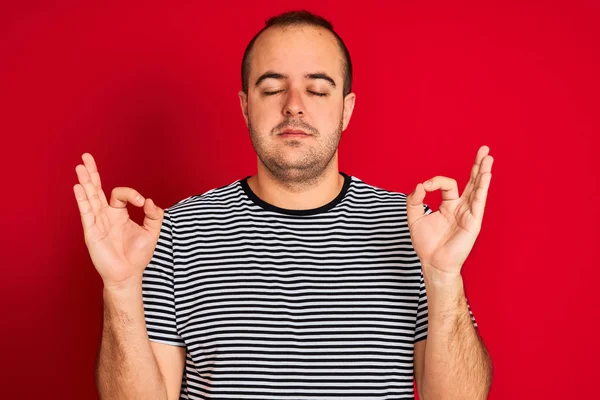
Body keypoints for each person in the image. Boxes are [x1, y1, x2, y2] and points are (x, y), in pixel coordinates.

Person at [73, 10, 494, 400]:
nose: (294, 104)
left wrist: (443, 277)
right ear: (245, 107)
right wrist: (122, 288)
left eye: (317, 89)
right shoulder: (175, 231)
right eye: (272, 88)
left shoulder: (411, 230)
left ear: (346, 110)